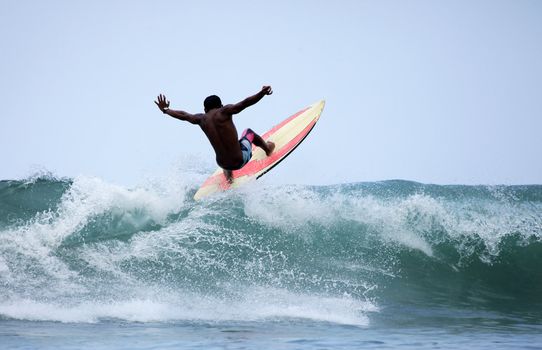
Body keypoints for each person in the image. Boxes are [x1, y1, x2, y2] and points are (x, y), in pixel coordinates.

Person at [154, 86, 275, 182]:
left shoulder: (201, 119)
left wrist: (166, 110)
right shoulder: (225, 111)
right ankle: (268, 149)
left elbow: (184, 115)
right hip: (239, 161)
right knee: (249, 133)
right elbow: (244, 103)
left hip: (222, 163)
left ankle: (229, 177)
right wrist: (262, 93)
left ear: (205, 110)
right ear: (221, 106)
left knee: (228, 149)